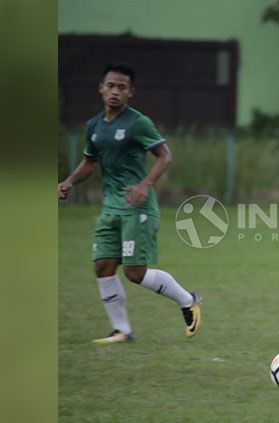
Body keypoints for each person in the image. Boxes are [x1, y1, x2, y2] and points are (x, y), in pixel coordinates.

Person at [58, 63, 202, 344]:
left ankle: (189, 301)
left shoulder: (138, 123)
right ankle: (121, 330)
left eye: (121, 88)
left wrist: (144, 185)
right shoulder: (94, 126)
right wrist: (69, 182)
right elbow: (90, 161)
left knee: (135, 272)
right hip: (111, 207)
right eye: (110, 86)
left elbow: (165, 156)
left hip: (137, 207)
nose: (115, 92)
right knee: (102, 265)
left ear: (130, 92)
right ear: (101, 88)